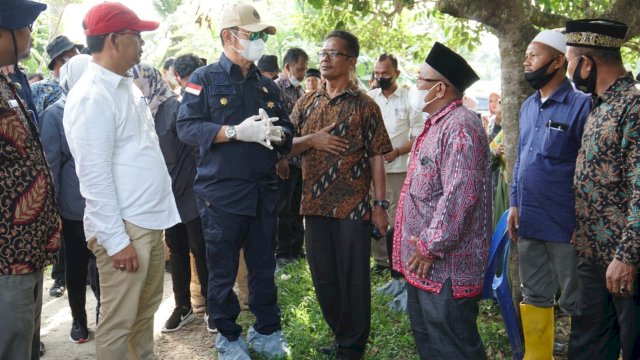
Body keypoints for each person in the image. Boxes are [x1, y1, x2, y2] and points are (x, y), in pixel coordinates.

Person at [63, 3, 181, 359]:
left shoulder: (125, 86)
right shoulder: (91, 95)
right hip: (125, 228)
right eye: (137, 37)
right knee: (119, 323)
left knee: (144, 317)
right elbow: (93, 177)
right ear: (114, 40)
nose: (142, 44)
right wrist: (116, 241)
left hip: (146, 220)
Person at [176, 4, 292, 359]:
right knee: (223, 269)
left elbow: (288, 128)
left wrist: (278, 135)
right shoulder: (204, 79)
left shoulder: (268, 87)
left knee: (262, 265)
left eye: (261, 36)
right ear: (229, 37)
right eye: (252, 34)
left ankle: (266, 330)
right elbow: (186, 127)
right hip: (222, 195)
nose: (259, 41)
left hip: (262, 191)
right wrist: (233, 132)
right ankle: (228, 336)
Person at [290, 30, 392, 359]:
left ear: (351, 62)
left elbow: (377, 155)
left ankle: (353, 345)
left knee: (354, 279)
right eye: (323, 52)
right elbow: (285, 143)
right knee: (324, 278)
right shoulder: (306, 102)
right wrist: (312, 141)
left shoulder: (365, 105)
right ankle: (340, 334)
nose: (324, 58)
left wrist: (379, 205)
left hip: (353, 208)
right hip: (315, 205)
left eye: (334, 53)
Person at [392, 42, 489, 359]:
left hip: (445, 265)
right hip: (425, 265)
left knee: (453, 346)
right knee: (430, 342)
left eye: (420, 80)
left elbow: (460, 194)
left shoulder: (462, 126)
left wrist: (429, 245)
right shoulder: (437, 124)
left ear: (440, 88)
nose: (414, 86)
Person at [507, 29, 590, 358]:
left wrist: (582, 221)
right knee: (535, 296)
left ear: (558, 61)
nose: (526, 61)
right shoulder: (528, 106)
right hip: (530, 221)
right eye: (525, 54)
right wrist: (514, 204)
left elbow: (589, 172)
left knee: (577, 300)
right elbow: (520, 162)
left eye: (534, 55)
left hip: (566, 227)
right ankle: (537, 355)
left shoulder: (582, 106)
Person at [565, 18, 640, 359]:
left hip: (625, 262)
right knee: (587, 346)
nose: (568, 72)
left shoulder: (633, 108)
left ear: (586, 63)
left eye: (569, 62)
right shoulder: (598, 104)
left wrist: (627, 256)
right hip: (592, 252)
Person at [0, 1, 62, 359]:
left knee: (25, 345)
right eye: (24, 27)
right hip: (6, 255)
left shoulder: (8, 82)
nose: (30, 35)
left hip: (27, 250)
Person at [132, 62, 210, 334]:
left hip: (189, 190)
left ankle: (211, 306)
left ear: (149, 81)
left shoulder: (174, 108)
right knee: (176, 250)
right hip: (164, 195)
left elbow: (195, 150)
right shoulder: (138, 113)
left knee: (199, 247)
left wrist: (202, 186)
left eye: (137, 80)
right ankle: (183, 306)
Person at [40, 54, 101, 344]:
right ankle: (79, 320)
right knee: (76, 266)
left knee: (105, 264)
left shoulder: (101, 106)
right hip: (74, 206)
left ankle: (106, 314)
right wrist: (52, 209)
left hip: (104, 203)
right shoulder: (55, 113)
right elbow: (50, 164)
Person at [367, 53, 424, 281]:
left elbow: (418, 135)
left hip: (398, 169)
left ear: (396, 74)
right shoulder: (370, 98)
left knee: (394, 217)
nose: (380, 77)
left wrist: (398, 151)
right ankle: (380, 261)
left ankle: (396, 262)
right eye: (377, 73)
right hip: (371, 169)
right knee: (373, 213)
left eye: (385, 74)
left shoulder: (409, 100)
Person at [274, 47, 308, 266]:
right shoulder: (275, 89)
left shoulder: (300, 91)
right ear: (287, 67)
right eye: (300, 68)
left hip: (299, 159)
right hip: (284, 158)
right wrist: (280, 157)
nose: (303, 73)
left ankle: (296, 249)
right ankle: (283, 252)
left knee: (297, 207)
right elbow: (274, 126)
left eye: (304, 69)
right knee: (283, 208)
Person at [31, 35, 80, 124]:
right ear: (58, 59)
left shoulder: (79, 86)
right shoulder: (38, 88)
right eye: (72, 56)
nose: (77, 60)